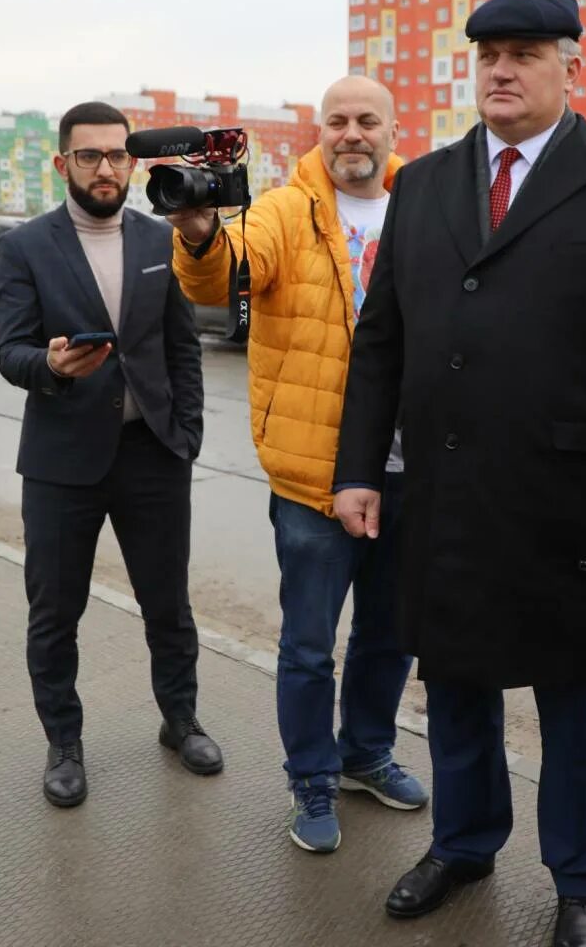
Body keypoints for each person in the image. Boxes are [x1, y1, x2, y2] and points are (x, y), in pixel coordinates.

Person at [333, 0, 586, 947]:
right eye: (488, 52)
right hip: (443, 496)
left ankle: (580, 880)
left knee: (575, 700)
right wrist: (358, 469)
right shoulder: (426, 183)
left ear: (574, 66)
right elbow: (381, 343)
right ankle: (464, 842)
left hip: (566, 506)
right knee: (453, 683)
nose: (501, 68)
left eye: (526, 52)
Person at [169, 76, 427, 853]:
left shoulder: (423, 206)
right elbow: (224, 278)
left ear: (391, 128)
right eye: (338, 121)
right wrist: (198, 233)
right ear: (321, 131)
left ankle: (365, 755)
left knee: (391, 634)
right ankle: (312, 778)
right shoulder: (285, 208)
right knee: (310, 644)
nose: (353, 134)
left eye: (367, 121)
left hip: (412, 473)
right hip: (313, 473)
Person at [0, 101, 219, 808]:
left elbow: (182, 345)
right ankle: (64, 742)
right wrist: (50, 366)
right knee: (55, 612)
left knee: (168, 605)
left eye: (117, 154)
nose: (105, 167)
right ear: (63, 164)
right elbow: (10, 349)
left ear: (131, 161)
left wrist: (187, 433)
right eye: (88, 156)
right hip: (62, 462)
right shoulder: (25, 247)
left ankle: (180, 720)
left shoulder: (159, 239)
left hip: (153, 452)